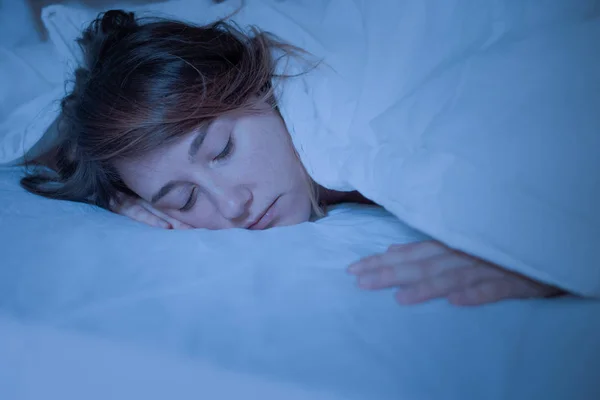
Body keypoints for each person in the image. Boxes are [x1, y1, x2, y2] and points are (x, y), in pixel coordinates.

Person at [22, 10, 562, 306]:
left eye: (222, 150)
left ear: (258, 88)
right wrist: (120, 195)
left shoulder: (351, 100)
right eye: (184, 198)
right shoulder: (137, 188)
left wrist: (539, 240)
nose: (232, 205)